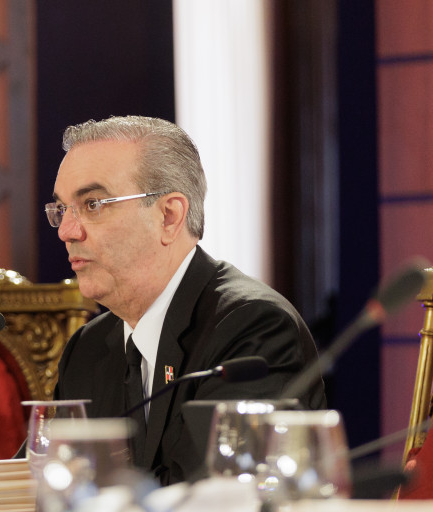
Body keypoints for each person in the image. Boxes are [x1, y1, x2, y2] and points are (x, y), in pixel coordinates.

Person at [47, 115, 327, 485]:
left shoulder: (253, 328)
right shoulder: (88, 348)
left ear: (169, 216)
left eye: (93, 204)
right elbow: (45, 479)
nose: (67, 231)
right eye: (61, 209)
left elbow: (214, 494)